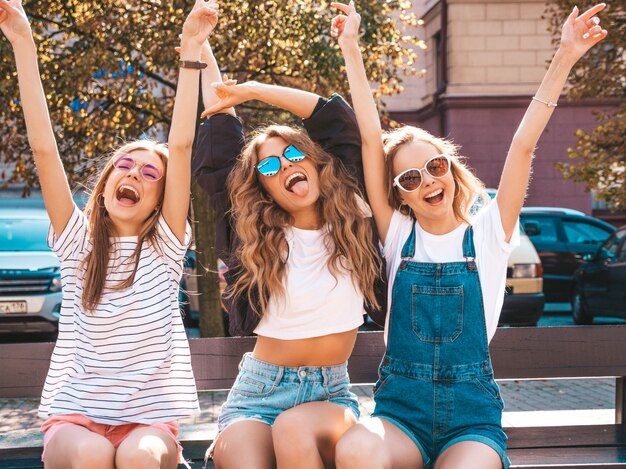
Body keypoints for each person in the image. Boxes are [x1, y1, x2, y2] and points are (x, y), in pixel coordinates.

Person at [330, 2, 608, 468]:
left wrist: (565, 55)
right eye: (410, 179)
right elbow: (368, 136)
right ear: (400, 196)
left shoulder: (490, 233)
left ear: (451, 170)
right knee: (354, 448)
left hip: (471, 421)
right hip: (400, 414)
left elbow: (522, 146)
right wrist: (351, 48)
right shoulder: (397, 234)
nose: (428, 181)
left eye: (434, 166)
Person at [0, 0, 219, 467]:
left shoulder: (164, 246)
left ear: (162, 203)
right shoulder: (77, 243)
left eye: (148, 173)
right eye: (124, 166)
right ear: (102, 191)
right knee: (94, 455)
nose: (135, 174)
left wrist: (190, 50)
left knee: (138, 459)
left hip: (149, 419)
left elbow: (179, 147)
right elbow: (43, 147)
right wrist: (23, 44)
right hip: (74, 414)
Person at [192, 32, 385, 469]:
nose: (286, 166)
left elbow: (335, 120)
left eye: (293, 153)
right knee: (242, 458)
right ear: (263, 188)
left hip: (329, 393)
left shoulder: (354, 216)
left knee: (293, 430)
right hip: (258, 392)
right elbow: (219, 145)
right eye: (269, 165)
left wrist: (255, 90)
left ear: (316, 161)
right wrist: (202, 48)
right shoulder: (253, 237)